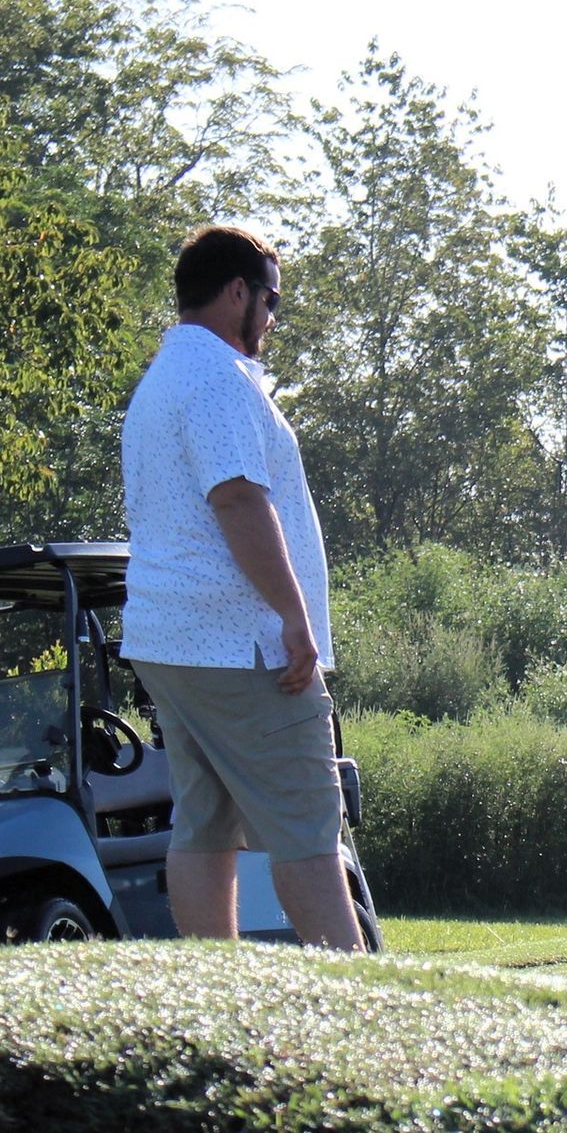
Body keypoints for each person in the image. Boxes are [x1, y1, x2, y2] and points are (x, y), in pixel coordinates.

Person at [120, 224, 362, 950]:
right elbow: (237, 498)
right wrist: (293, 617)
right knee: (307, 827)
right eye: (270, 300)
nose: (272, 318)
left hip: (170, 642)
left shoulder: (161, 379)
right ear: (236, 294)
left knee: (204, 821)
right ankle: (362, 1009)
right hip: (240, 647)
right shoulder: (219, 379)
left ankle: (216, 992)